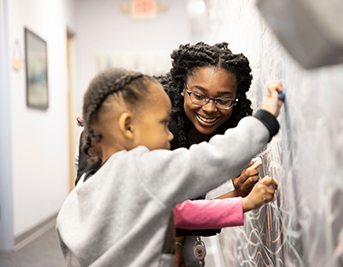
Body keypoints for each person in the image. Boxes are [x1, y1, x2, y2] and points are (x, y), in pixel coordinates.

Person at [56, 67, 282, 266]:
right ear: (128, 126)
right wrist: (266, 118)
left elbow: (182, 214)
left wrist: (243, 203)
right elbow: (214, 158)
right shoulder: (142, 170)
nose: (170, 133)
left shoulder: (84, 192)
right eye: (163, 123)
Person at [158, 42, 283, 266]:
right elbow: (172, 214)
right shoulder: (164, 134)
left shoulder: (213, 129)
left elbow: (187, 214)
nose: (209, 108)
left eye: (223, 100)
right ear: (181, 89)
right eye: (198, 95)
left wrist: (238, 194)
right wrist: (174, 244)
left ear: (235, 101)